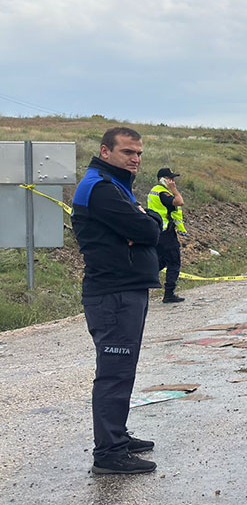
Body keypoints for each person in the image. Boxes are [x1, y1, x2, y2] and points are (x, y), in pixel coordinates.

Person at [71, 127, 164, 474]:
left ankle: (118, 436)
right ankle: (108, 454)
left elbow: (146, 227)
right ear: (105, 151)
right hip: (113, 294)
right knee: (113, 373)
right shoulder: (101, 189)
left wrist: (144, 222)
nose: (135, 159)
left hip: (125, 290)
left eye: (139, 153)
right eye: (128, 152)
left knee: (122, 372)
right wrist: (144, 224)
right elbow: (149, 231)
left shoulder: (114, 185)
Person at [147, 167, 186, 303]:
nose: (172, 181)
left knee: (161, 261)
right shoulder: (163, 193)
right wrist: (174, 190)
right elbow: (179, 201)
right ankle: (169, 293)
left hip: (157, 231)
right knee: (174, 262)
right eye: (170, 179)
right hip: (166, 233)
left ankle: (140, 282)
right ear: (162, 179)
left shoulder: (154, 191)